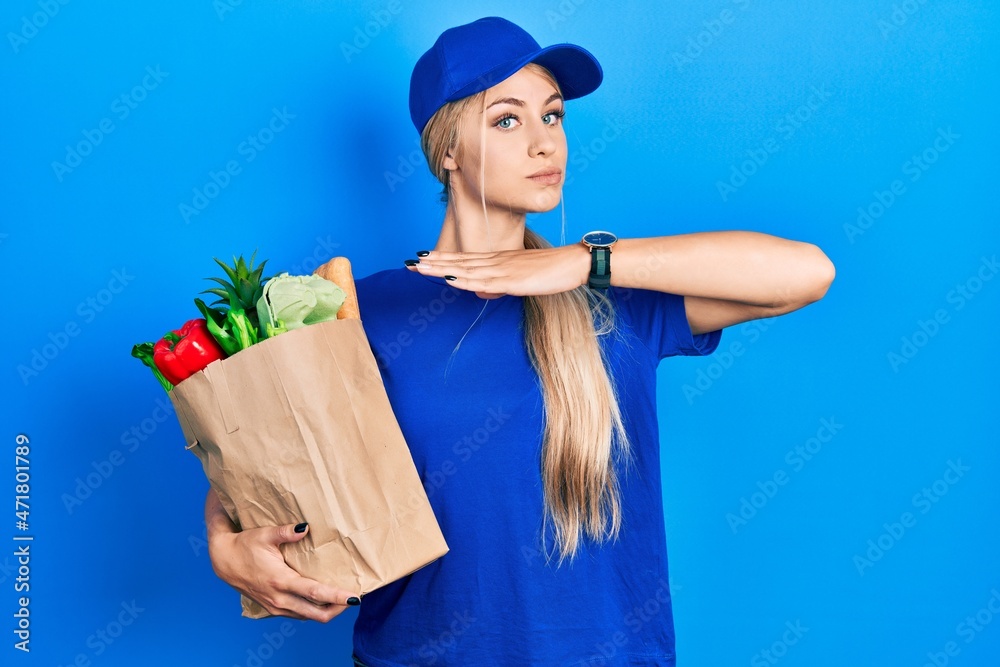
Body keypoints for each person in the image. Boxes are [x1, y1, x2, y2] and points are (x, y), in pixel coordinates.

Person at [205, 16, 835, 666]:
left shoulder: (610, 297)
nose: (544, 143)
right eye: (508, 120)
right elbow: (265, 457)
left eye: (553, 116)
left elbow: (807, 273)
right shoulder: (363, 308)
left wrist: (583, 263)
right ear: (447, 149)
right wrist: (223, 544)